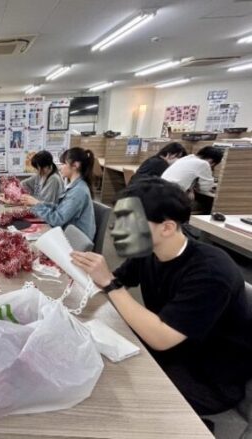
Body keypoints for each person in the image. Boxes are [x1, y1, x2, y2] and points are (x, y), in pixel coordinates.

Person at [71, 178, 252, 416]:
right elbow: (116, 280)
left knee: (106, 393)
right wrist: (79, 267)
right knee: (86, 360)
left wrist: (109, 283)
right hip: (170, 353)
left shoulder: (211, 271)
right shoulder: (148, 250)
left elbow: (161, 337)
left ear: (167, 227)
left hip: (207, 378)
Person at [20, 147, 96, 242]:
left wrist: (37, 204)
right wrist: (37, 203)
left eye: (64, 163)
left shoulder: (78, 191)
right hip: (68, 232)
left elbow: (57, 220)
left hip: (75, 241)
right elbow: (59, 208)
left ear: (75, 165)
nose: (60, 167)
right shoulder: (75, 186)